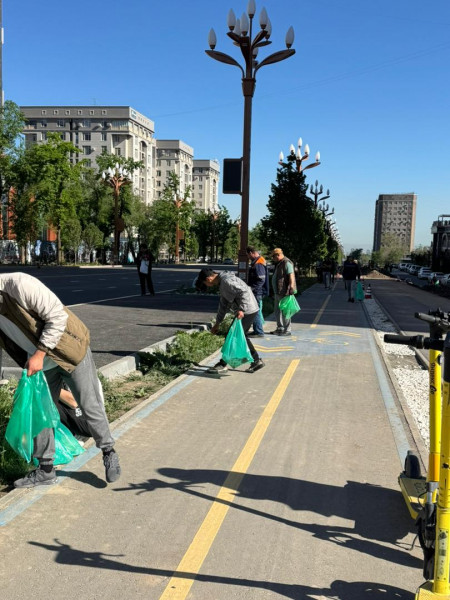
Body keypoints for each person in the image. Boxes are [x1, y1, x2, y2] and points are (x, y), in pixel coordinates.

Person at [0, 272, 121, 488]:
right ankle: (45, 470)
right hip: (40, 363)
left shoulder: (19, 284)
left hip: (68, 352)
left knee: (88, 403)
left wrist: (39, 355)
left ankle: (108, 451)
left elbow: (57, 317)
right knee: (40, 412)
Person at [195, 268, 265, 374]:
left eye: (205, 283)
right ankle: (255, 361)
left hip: (247, 310)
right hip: (248, 309)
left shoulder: (226, 281)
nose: (207, 286)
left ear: (208, 279)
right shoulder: (222, 282)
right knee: (237, 336)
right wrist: (217, 323)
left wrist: (241, 309)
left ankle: (223, 364)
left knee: (233, 336)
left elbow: (244, 291)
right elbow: (223, 304)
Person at [270, 248, 297, 336]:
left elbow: (291, 276)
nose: (273, 259)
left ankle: (287, 330)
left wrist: (291, 287)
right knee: (277, 311)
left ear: (278, 255)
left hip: (284, 291)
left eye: (273, 257)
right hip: (278, 291)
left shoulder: (286, 263)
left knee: (285, 311)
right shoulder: (279, 263)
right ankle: (280, 328)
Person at [246, 246, 269, 337]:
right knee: (256, 311)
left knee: (256, 312)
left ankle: (259, 332)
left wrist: (252, 289)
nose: (248, 257)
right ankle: (257, 330)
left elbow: (261, 279)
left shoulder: (258, 264)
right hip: (257, 291)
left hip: (257, 292)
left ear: (251, 253)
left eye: (248, 255)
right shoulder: (257, 262)